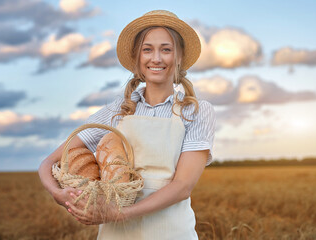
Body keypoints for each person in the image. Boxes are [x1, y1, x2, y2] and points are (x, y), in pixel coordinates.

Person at [38, 10, 216, 240]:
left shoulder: (196, 111)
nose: (156, 58)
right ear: (137, 59)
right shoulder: (117, 111)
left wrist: (119, 214)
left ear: (179, 57)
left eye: (166, 49)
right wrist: (57, 193)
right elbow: (48, 162)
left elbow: (182, 187)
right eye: (147, 49)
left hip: (170, 231)